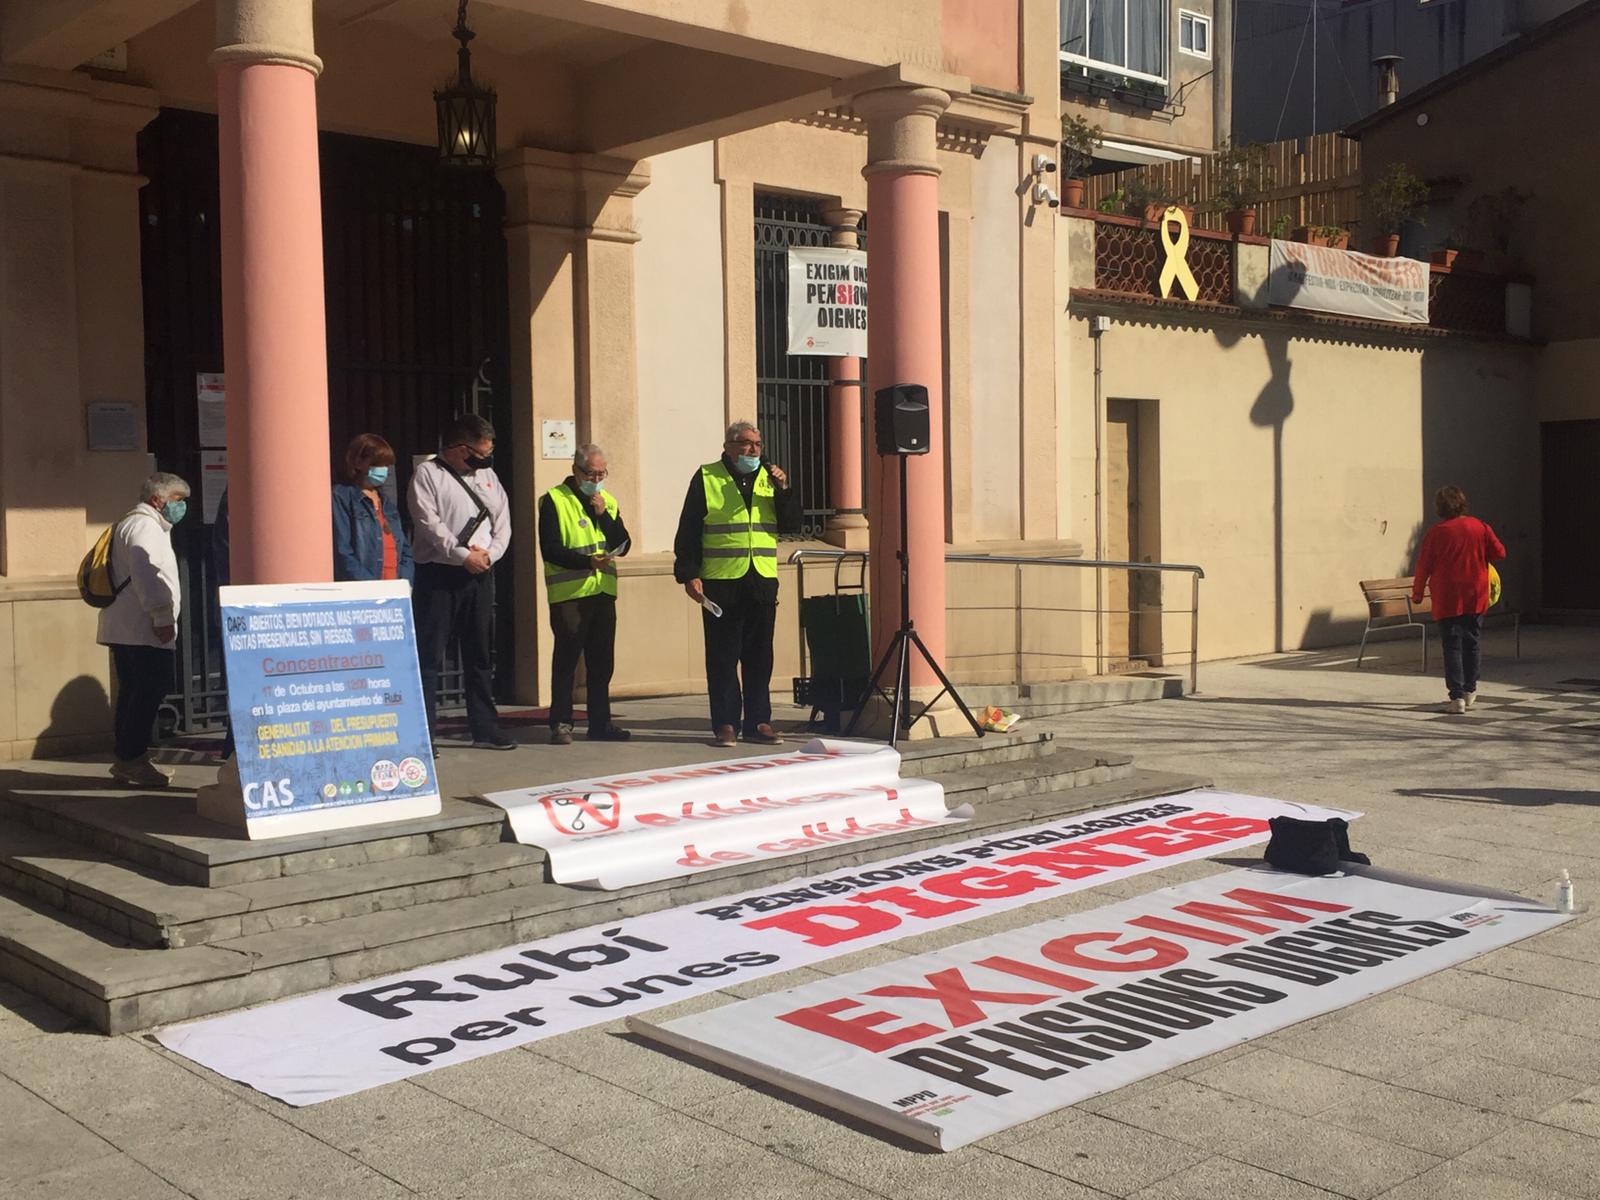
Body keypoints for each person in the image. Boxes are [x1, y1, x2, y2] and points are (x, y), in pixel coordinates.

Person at [673, 420, 802, 747]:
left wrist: (784, 489)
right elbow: (689, 529)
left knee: (760, 657)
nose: (753, 450)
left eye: (757, 444)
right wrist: (688, 573)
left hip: (761, 579)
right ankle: (726, 724)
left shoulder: (769, 478)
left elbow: (791, 524)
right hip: (721, 581)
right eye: (746, 443)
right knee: (722, 657)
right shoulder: (707, 477)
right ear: (729, 446)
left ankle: (759, 722)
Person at [408, 413, 515, 753]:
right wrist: (461, 555)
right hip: (440, 573)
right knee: (430, 655)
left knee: (480, 654)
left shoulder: (488, 476)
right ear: (459, 448)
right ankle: (424, 733)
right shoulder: (428, 474)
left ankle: (485, 728)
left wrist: (490, 555)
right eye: (480, 453)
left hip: (481, 572)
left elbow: (503, 521)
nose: (485, 460)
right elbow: (429, 524)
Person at [98, 473, 189, 788]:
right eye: (178, 499)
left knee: (133, 691)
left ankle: (127, 756)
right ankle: (132, 758)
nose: (182, 506)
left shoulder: (132, 523)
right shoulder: (145, 526)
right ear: (157, 499)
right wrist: (162, 616)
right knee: (149, 690)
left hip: (128, 626)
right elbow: (146, 572)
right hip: (142, 627)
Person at [539, 443, 631, 744]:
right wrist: (587, 562)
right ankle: (561, 722)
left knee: (602, 662)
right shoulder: (554, 500)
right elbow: (551, 549)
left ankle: (601, 723)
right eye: (591, 473)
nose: (597, 479)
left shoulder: (608, 501)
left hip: (602, 591)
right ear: (576, 471)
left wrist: (603, 515)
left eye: (602, 473)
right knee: (567, 660)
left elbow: (624, 543)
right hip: (570, 593)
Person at [1411, 484, 1507, 715]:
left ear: (1440, 507)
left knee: (1452, 646)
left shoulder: (1436, 533)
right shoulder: (1480, 527)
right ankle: (1470, 689)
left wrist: (1417, 593)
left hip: (1447, 596)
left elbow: (1424, 566)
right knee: (1472, 642)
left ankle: (1456, 697)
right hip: (1475, 593)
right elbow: (1500, 553)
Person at [332, 433, 415, 584]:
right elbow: (342, 551)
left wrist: (404, 581)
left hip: (395, 587)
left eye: (386, 465)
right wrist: (371, 587)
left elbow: (404, 549)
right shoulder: (343, 497)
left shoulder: (386, 503)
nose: (383, 470)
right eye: (378, 464)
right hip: (365, 589)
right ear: (358, 463)